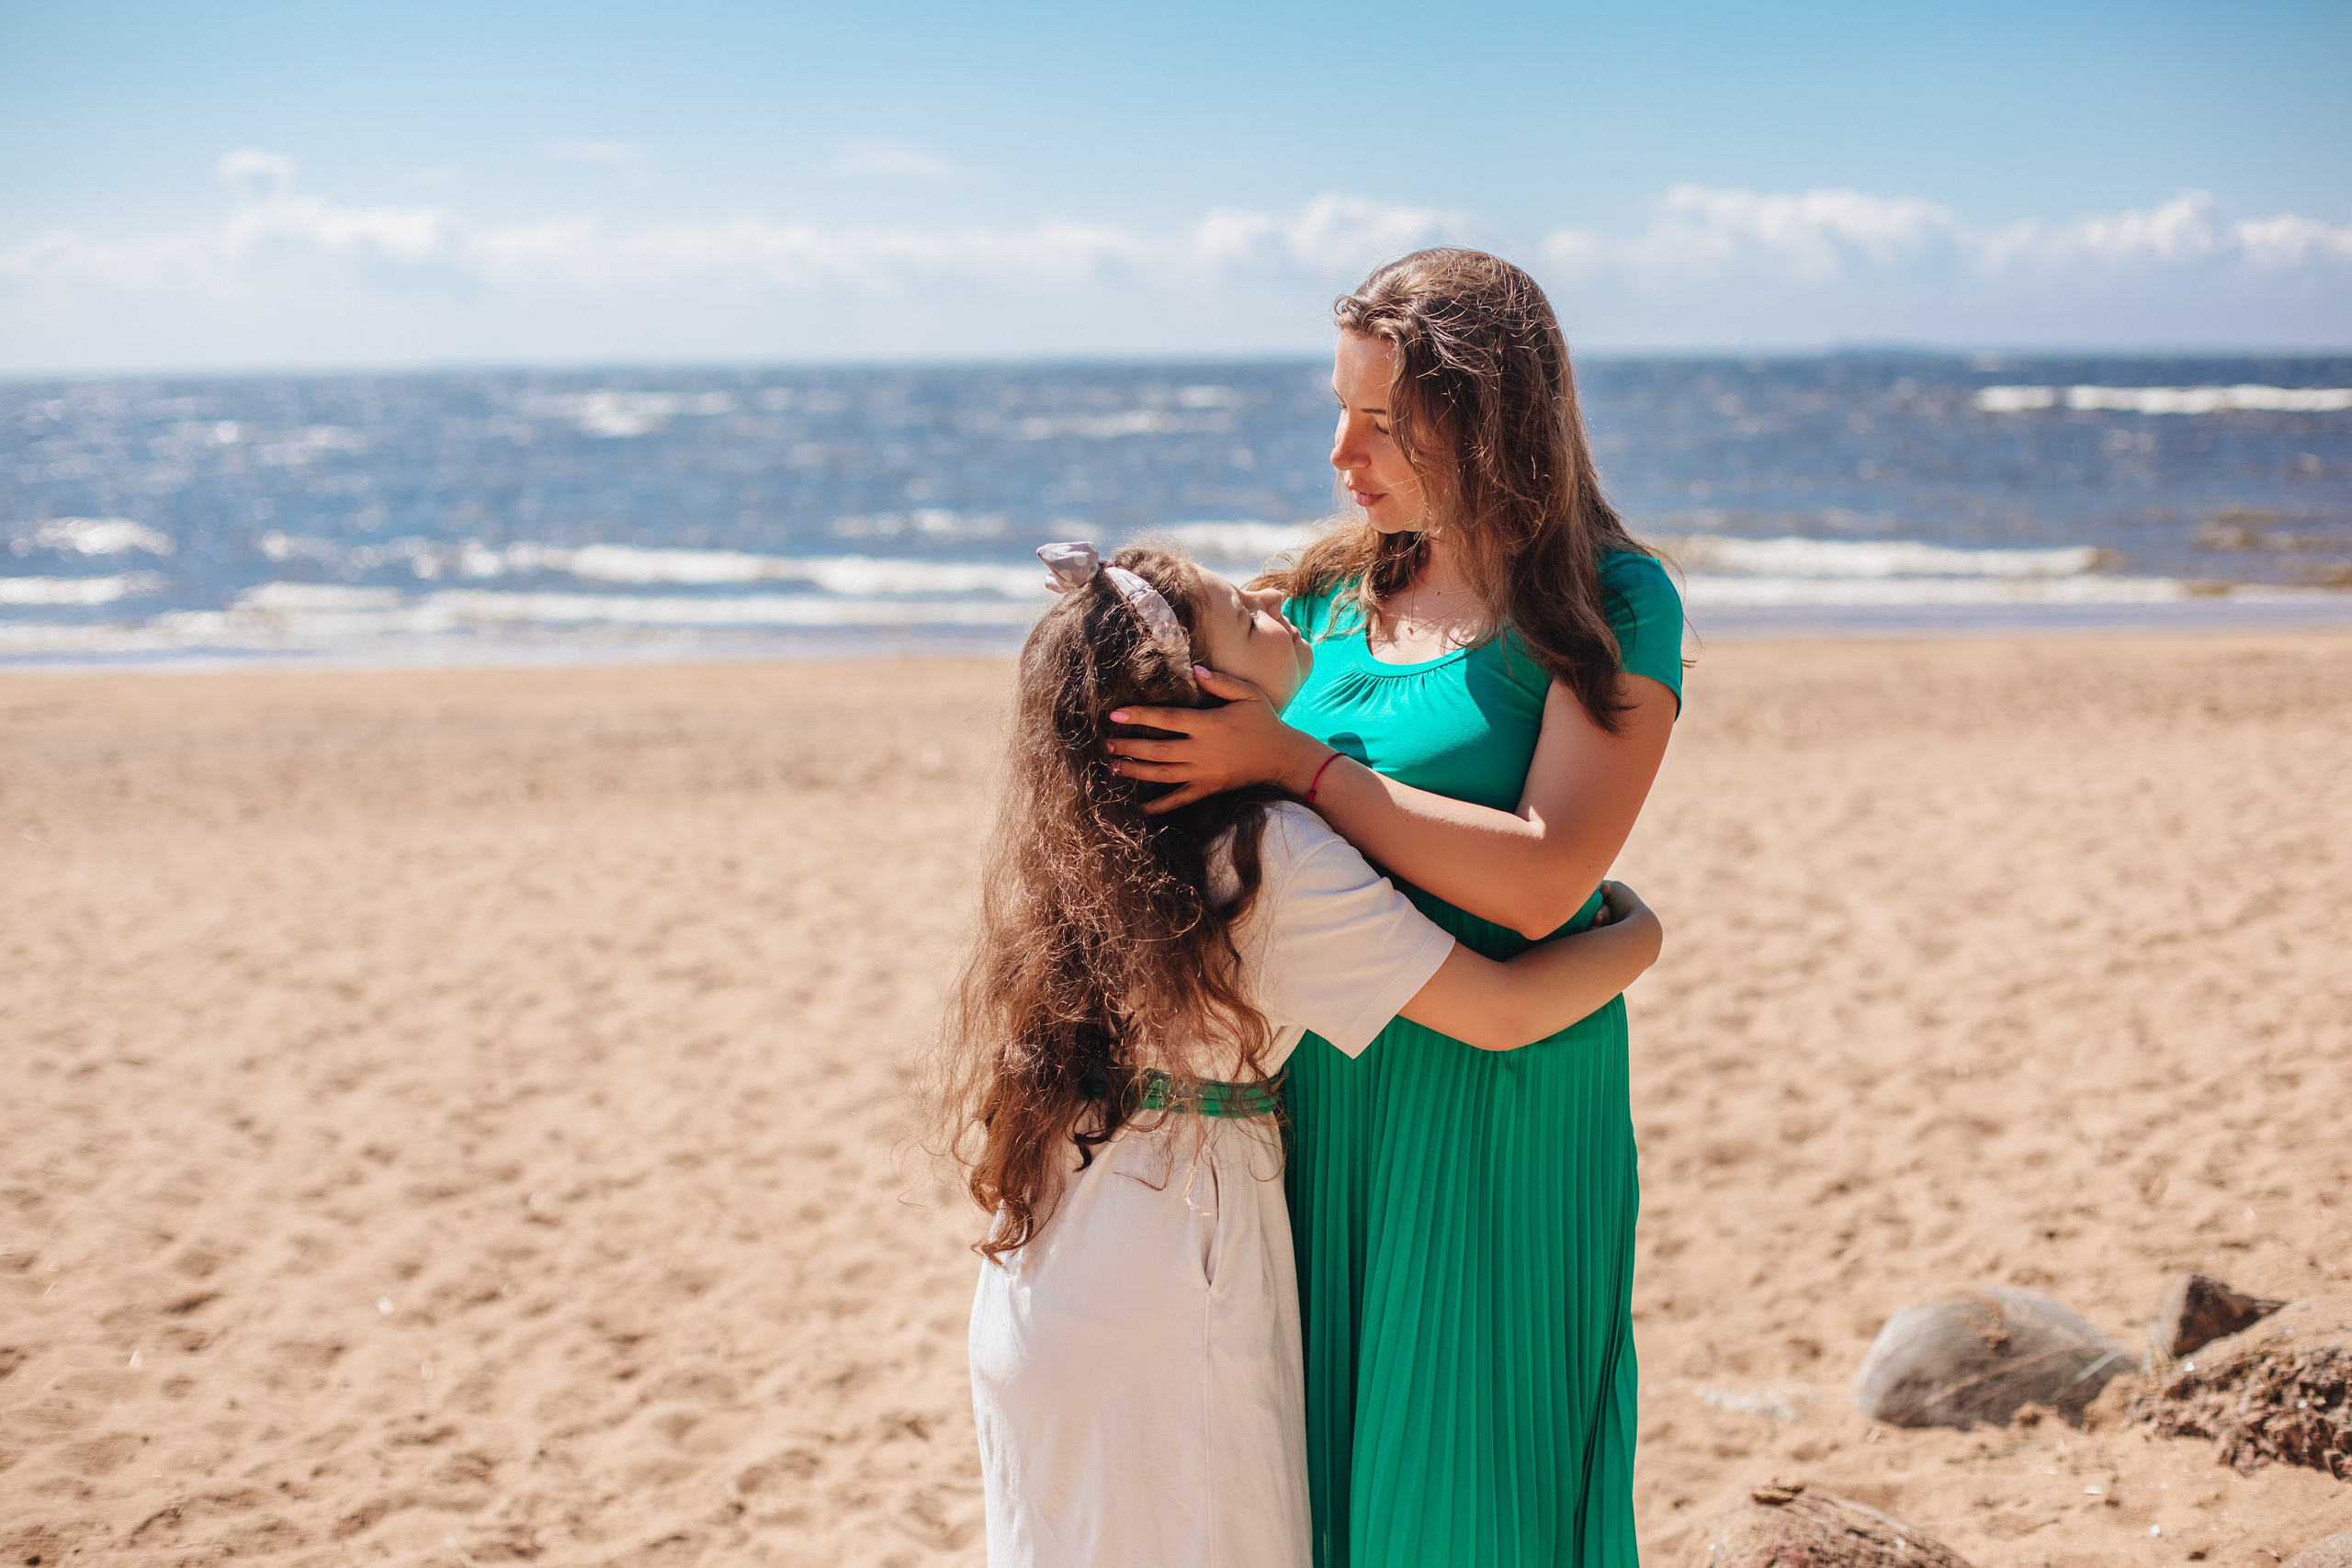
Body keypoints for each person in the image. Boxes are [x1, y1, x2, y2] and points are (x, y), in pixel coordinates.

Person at [1098, 250, 1683, 1566]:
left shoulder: (1611, 603)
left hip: (1503, 1100)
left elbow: (1542, 877)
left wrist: (1302, 763)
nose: (1339, 451)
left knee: (1471, 1499)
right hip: (1318, 1096)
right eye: (1340, 409)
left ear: (1489, 420)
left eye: (1382, 422)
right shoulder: (1319, 596)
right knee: (1314, 1497)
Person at [935, 538, 1666, 1568]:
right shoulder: (1271, 857)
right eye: (1244, 611)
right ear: (1206, 689)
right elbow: (1500, 1013)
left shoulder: (1098, 845)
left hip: (1052, 1258)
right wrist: (1637, 934)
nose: (1278, 595)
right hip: (1178, 1264)